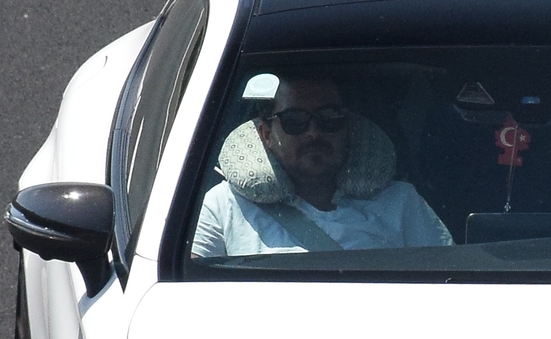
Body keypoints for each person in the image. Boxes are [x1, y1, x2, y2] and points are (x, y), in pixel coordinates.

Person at [191, 75, 451, 256]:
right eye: (295, 121)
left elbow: (449, 288)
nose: (314, 133)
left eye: (329, 118)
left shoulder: (401, 203)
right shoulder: (224, 207)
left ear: (347, 127)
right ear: (266, 134)